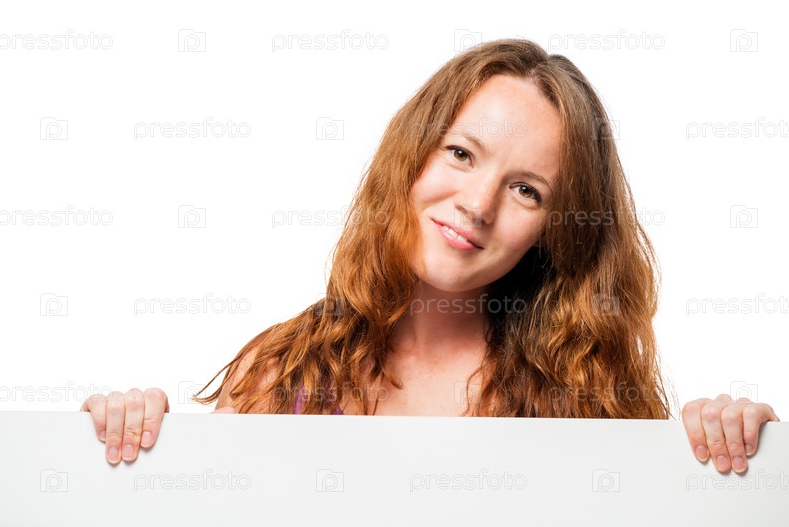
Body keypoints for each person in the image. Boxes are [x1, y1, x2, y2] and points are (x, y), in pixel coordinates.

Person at [81, 38, 779, 475]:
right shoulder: (282, 372)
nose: (477, 203)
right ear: (411, 155)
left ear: (553, 231)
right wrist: (134, 446)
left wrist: (734, 455)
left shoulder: (584, 395)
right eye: (461, 153)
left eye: (526, 190)